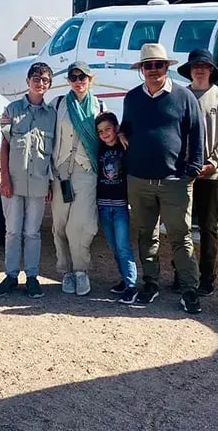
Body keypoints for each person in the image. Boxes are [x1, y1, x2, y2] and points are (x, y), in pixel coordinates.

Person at [120, 43, 205, 314]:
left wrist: (193, 170)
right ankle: (151, 283)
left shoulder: (184, 96)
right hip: (139, 180)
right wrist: (122, 134)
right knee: (146, 235)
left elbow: (196, 133)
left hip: (174, 181)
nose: (153, 70)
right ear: (142, 70)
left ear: (167, 67)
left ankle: (190, 290)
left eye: (158, 64)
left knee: (181, 236)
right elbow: (127, 128)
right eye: (148, 65)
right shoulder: (132, 98)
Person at [0, 62, 57, 299]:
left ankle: (31, 277)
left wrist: (50, 182)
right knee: (12, 231)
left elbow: (53, 152)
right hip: (14, 182)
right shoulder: (11, 110)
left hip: (39, 183)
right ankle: (10, 276)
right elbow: (5, 145)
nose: (41, 83)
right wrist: (4, 179)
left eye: (46, 80)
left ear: (49, 84)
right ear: (28, 81)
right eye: (37, 79)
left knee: (32, 232)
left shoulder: (52, 116)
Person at [175, 48, 218, 297]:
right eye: (195, 65)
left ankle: (207, 277)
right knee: (181, 226)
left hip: (212, 173)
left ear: (211, 70)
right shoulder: (179, 96)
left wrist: (214, 162)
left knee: (209, 227)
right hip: (183, 173)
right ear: (190, 70)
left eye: (205, 66)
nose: (200, 69)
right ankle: (182, 274)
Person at [51, 61, 104, 296]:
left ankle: (81, 270)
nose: (78, 81)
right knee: (60, 224)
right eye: (73, 77)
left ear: (90, 79)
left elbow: (108, 133)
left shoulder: (99, 106)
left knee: (81, 224)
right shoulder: (59, 104)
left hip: (86, 171)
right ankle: (66, 271)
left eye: (82, 77)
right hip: (61, 170)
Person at [95, 111, 138, 305]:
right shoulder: (99, 149)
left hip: (120, 205)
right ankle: (124, 278)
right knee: (113, 246)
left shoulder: (125, 147)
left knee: (123, 246)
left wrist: (122, 135)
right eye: (101, 131)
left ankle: (132, 285)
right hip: (103, 204)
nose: (105, 134)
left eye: (108, 129)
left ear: (116, 128)